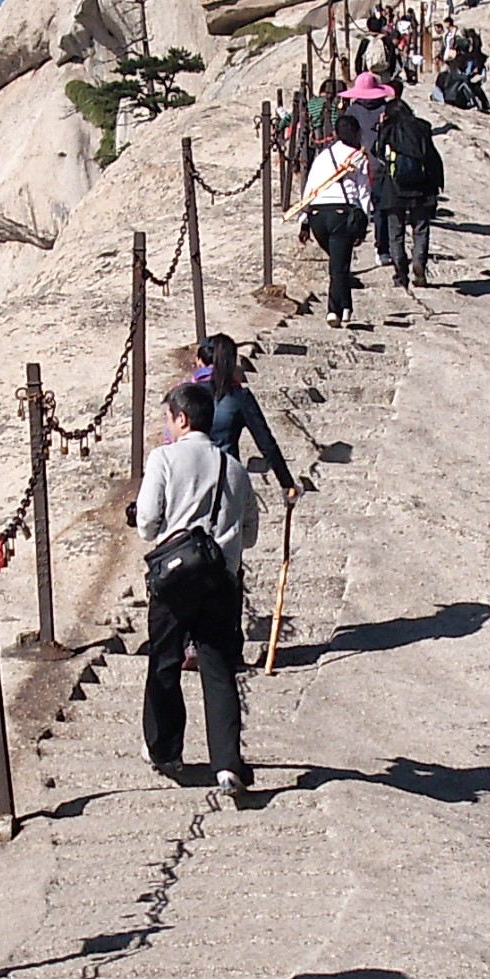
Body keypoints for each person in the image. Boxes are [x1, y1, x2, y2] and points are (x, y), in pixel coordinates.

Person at [135, 380, 256, 790]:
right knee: (218, 668)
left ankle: (167, 750)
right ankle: (227, 764)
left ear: (182, 419)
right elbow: (251, 533)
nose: (167, 426)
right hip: (221, 578)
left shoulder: (164, 458)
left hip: (174, 577)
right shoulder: (235, 468)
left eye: (169, 418)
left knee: (165, 661)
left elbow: (148, 522)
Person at [195, 332, 298, 499]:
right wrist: (287, 482)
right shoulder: (240, 397)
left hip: (188, 479)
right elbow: (266, 443)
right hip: (226, 479)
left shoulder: (182, 395)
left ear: (200, 361)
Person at [296, 115, 375, 327]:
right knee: (338, 267)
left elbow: (310, 187)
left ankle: (346, 305)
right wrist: (364, 222)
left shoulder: (323, 156)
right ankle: (334, 310)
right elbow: (363, 192)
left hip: (317, 216)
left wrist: (304, 221)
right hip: (341, 214)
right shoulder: (358, 158)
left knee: (339, 262)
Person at [375, 92, 445, 289]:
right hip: (423, 186)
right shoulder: (423, 127)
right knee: (420, 229)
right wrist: (438, 184)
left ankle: (400, 273)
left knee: (395, 232)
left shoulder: (388, 129)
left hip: (395, 187)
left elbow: (377, 152)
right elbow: (432, 156)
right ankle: (418, 264)